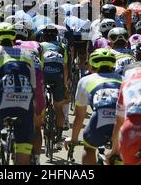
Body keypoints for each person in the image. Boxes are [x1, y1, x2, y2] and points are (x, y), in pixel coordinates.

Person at [0, 23, 36, 165]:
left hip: (4, 100)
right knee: (23, 153)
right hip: (26, 103)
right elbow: (33, 88)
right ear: (13, 38)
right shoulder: (28, 54)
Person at [64, 49, 123, 165]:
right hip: (122, 119)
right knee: (120, 153)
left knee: (89, 148)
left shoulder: (84, 80)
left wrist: (74, 139)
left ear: (90, 66)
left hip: (100, 118)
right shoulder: (124, 79)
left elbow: (80, 116)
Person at [13, 22, 46, 164]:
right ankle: (37, 158)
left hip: (16, 78)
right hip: (36, 77)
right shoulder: (37, 44)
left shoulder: (11, 47)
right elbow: (42, 65)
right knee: (37, 125)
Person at [40, 24, 69, 154]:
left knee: (39, 105)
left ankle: (41, 120)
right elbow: (66, 67)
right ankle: (58, 138)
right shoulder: (62, 46)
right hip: (58, 76)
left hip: (44, 74)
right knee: (58, 107)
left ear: (44, 36)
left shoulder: (39, 46)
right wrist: (65, 84)